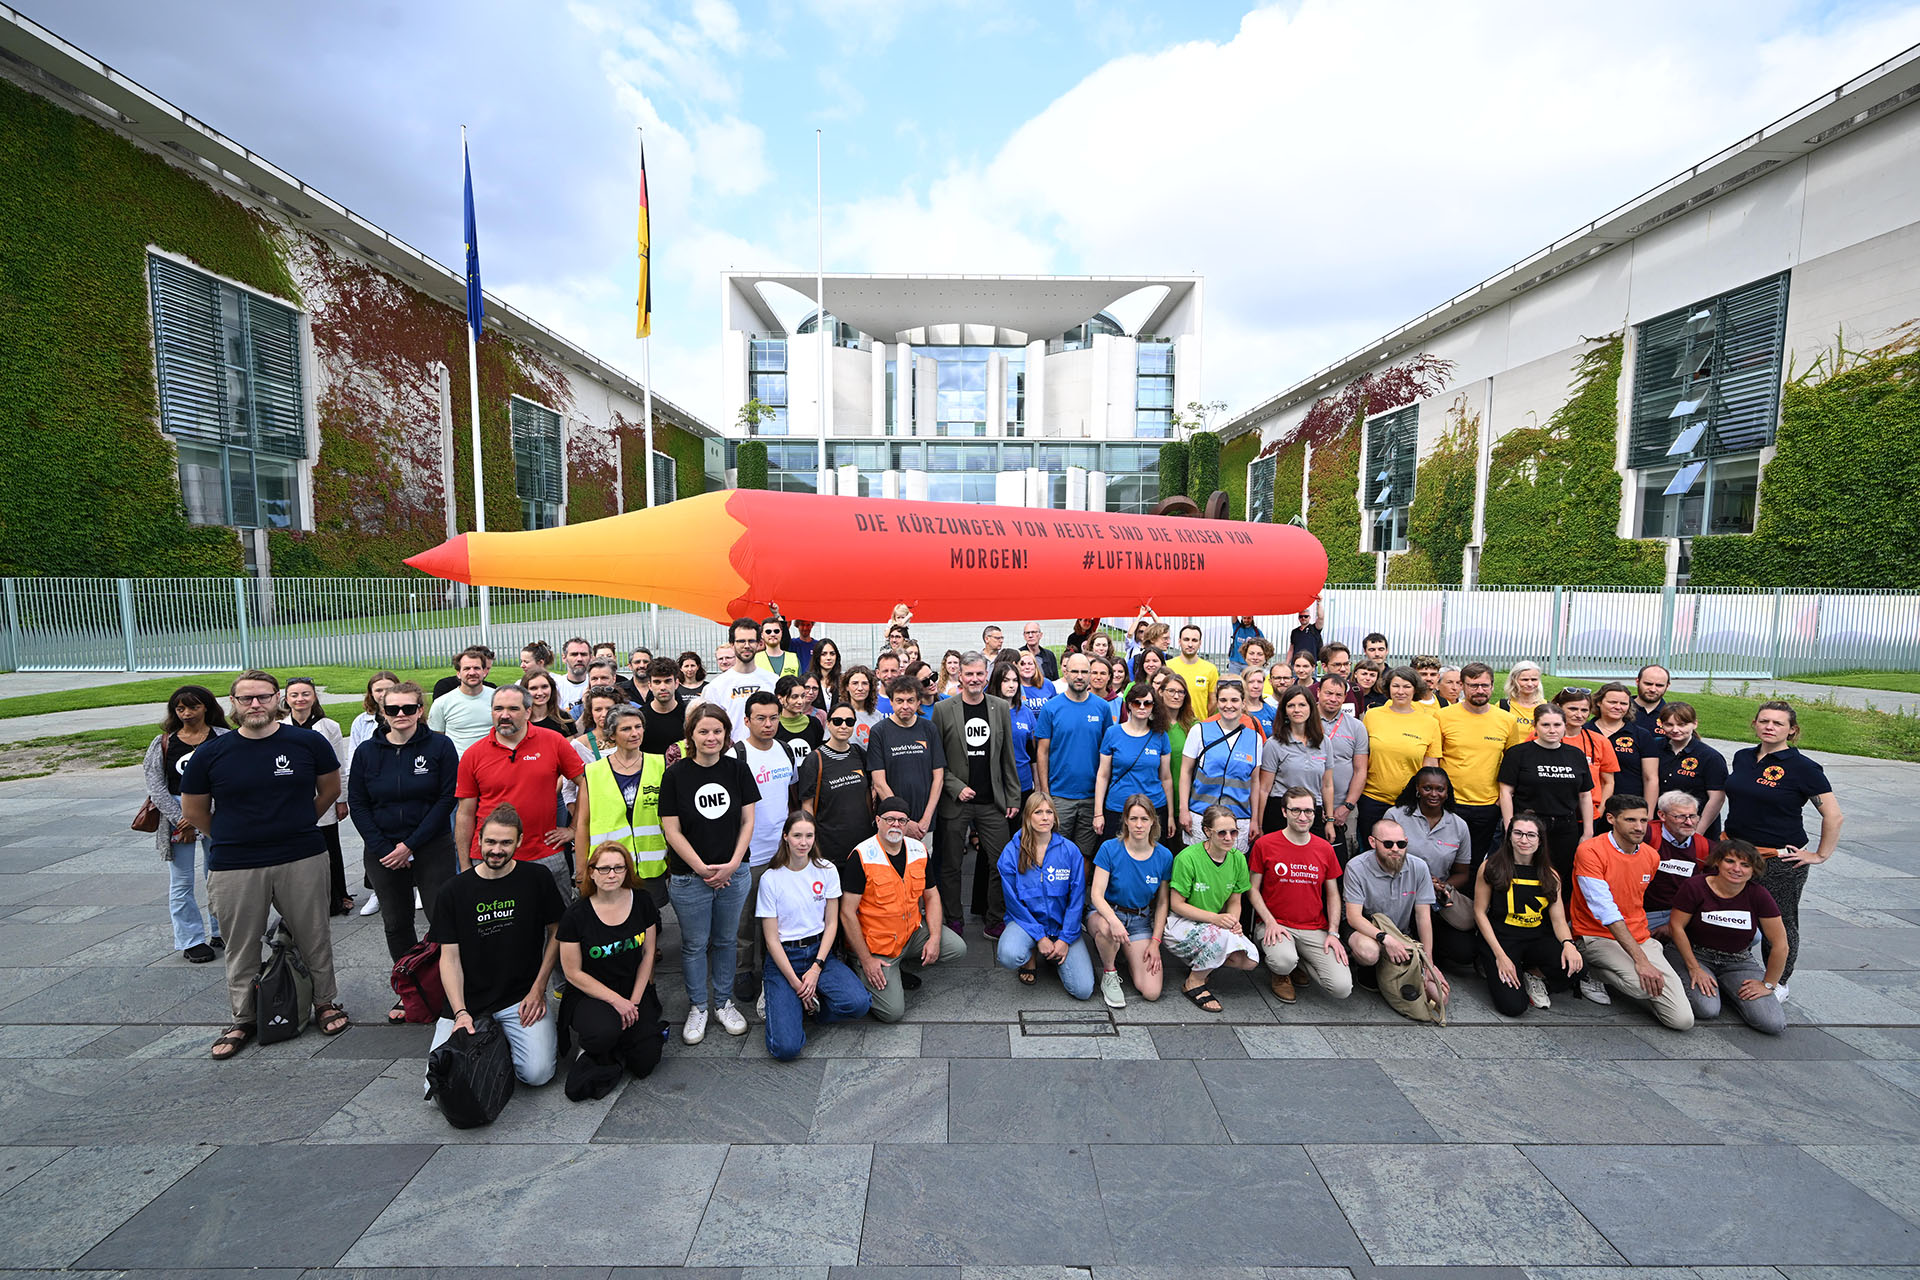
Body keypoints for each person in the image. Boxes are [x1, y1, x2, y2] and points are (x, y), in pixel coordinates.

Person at [182, 671, 348, 1059]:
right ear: (233, 704)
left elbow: (330, 789)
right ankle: (244, 1018)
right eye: (246, 699)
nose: (255, 704)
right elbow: (193, 810)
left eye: (263, 697)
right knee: (240, 944)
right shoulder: (211, 752)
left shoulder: (308, 743)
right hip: (235, 863)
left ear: (279, 700)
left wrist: (299, 823)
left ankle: (324, 1002)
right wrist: (229, 834)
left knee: (314, 935)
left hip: (301, 855)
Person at [426, 804, 563, 1094]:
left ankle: (500, 1038)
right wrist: (460, 1012)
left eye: (505, 842)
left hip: (520, 997)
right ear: (478, 840)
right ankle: (492, 1036)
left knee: (537, 1074)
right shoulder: (453, 891)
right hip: (468, 1001)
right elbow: (448, 959)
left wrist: (539, 989)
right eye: (490, 842)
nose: (496, 850)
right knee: (437, 1085)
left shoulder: (536, 879)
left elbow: (557, 932)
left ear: (520, 842)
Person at [350, 680, 461, 1014]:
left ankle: (449, 985)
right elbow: (358, 802)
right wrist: (384, 847)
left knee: (440, 918)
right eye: (392, 709)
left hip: (430, 845)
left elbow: (446, 799)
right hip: (382, 849)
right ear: (382, 711)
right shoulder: (367, 752)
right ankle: (411, 988)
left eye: (408, 708)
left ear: (420, 710)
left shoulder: (440, 746)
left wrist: (410, 845)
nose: (401, 714)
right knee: (396, 923)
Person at [1724, 700, 1841, 1001]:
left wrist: (1819, 855)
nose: (1769, 727)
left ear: (1792, 730)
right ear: (1755, 724)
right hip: (1736, 851)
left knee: (1779, 921)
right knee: (1730, 912)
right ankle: (1732, 966)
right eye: (1764, 721)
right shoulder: (1743, 757)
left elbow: (1833, 815)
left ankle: (1778, 982)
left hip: (1777, 859)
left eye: (1777, 723)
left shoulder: (1804, 768)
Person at [658, 702, 759, 1043]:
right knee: (695, 944)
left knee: (727, 941)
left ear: (727, 735)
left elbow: (748, 821)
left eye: (717, 731)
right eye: (703, 731)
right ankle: (699, 1006)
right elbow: (671, 830)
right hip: (689, 877)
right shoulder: (675, 775)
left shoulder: (737, 771)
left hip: (734, 873)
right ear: (691, 736)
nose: (711, 737)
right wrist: (701, 868)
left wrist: (732, 863)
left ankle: (723, 1002)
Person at [1569, 794, 1693, 1028]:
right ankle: (1590, 972)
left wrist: (1644, 954)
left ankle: (1641, 978)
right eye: (1630, 820)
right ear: (1611, 819)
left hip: (1639, 936)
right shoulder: (1590, 851)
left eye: (1644, 821)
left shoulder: (1651, 855)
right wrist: (1641, 961)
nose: (1639, 827)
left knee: (1682, 1021)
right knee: (1639, 986)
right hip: (1596, 936)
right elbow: (1606, 911)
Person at [453, 684, 586, 900]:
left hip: (545, 853)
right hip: (491, 856)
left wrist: (573, 828)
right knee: (498, 927)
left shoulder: (553, 741)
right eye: (498, 709)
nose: (504, 715)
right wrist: (466, 864)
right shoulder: (473, 754)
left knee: (558, 924)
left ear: (528, 712)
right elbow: (464, 813)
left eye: (513, 709)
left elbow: (586, 782)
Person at [556, 840, 666, 1099]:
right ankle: (594, 1047)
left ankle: (617, 1045)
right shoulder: (576, 915)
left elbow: (648, 953)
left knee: (645, 1062)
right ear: (591, 872)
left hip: (633, 988)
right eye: (603, 868)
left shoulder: (642, 901)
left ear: (628, 871)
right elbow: (572, 973)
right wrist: (618, 1002)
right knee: (603, 1033)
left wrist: (635, 1001)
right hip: (590, 993)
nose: (612, 874)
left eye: (619, 867)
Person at [757, 814, 871, 1060]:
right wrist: (797, 984)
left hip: (819, 954)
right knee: (786, 1049)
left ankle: (811, 1006)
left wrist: (817, 968)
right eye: (797, 835)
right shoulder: (771, 879)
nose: (803, 842)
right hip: (784, 959)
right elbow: (771, 940)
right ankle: (789, 1001)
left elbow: (831, 924)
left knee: (859, 1003)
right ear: (785, 837)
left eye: (809, 836)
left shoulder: (826, 870)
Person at [842, 797, 967, 1022]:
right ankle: (859, 967)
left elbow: (932, 895)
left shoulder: (918, 850)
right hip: (877, 946)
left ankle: (900, 966)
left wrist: (935, 938)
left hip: (910, 934)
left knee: (957, 947)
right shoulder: (861, 857)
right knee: (892, 1013)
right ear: (878, 820)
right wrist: (867, 959)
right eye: (889, 819)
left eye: (902, 820)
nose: (896, 825)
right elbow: (846, 913)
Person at [933, 652, 1020, 936]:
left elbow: (1008, 755)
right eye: (969, 674)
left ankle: (994, 919)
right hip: (956, 802)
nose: (974, 679)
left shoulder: (999, 707)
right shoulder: (944, 710)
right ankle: (953, 919)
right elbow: (936, 760)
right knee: (951, 866)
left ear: (986, 675)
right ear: (960, 675)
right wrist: (956, 787)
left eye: (979, 674)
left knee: (1002, 863)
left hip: (992, 801)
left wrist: (1013, 796)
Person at [1665, 839, 1790, 1035]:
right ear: (1718, 862)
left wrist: (1768, 984)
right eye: (1730, 861)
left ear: (1753, 870)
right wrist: (1694, 968)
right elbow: (1676, 926)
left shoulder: (1759, 895)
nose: (1737, 869)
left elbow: (1780, 944)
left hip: (1737, 960)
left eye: (1745, 865)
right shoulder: (1695, 886)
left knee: (1772, 1023)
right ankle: (1718, 987)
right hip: (1695, 954)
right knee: (1707, 1009)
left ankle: (1727, 988)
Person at [144, 685, 230, 963]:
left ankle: (222, 930)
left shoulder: (224, 739)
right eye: (180, 709)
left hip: (217, 814)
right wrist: (180, 818)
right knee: (181, 881)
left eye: (192, 707)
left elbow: (231, 777)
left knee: (218, 875)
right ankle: (191, 939)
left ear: (206, 707)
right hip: (176, 819)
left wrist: (201, 814)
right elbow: (155, 784)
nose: (187, 713)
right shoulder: (163, 743)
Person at [1471, 813, 1583, 1016]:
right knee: (1513, 1007)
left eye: (1531, 835)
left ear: (1540, 840)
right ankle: (1492, 965)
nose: (1524, 840)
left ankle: (1533, 974)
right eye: (1518, 833)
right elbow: (1479, 913)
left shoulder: (1550, 875)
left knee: (1577, 968)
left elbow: (1558, 920)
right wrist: (1500, 956)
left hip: (1535, 938)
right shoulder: (1491, 867)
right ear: (1509, 837)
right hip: (1502, 939)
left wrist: (1569, 944)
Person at [1248, 786, 1352, 1004]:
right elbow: (1252, 889)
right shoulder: (1265, 844)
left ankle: (1300, 961)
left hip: (1314, 927)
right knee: (1283, 961)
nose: (1303, 816)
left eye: (1308, 811)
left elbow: (1333, 894)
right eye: (1296, 810)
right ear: (1284, 812)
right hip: (1276, 925)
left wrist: (1333, 933)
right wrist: (1269, 922)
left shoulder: (1324, 848)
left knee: (1342, 988)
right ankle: (1282, 972)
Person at [731, 690, 800, 1006]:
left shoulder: (785, 751)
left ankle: (772, 966)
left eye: (773, 717)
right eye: (760, 718)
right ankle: (744, 970)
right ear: (747, 720)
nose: (768, 723)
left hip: (782, 854)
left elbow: (790, 795)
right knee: (745, 920)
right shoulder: (736, 756)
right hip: (749, 855)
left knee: (779, 916)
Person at [571, 705, 671, 916]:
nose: (634, 733)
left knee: (649, 918)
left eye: (638, 727)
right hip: (609, 866)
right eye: (626, 729)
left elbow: (669, 819)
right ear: (612, 735)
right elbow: (583, 824)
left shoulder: (659, 764)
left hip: (650, 864)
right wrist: (581, 870)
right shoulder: (594, 771)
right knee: (614, 918)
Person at [1342, 818, 1449, 1014]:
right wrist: (1385, 939)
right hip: (1368, 929)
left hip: (1400, 933)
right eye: (1388, 843)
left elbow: (1423, 917)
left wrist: (1429, 964)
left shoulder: (1419, 867)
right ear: (1373, 842)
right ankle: (1369, 969)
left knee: (1440, 996)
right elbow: (1353, 918)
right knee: (1368, 952)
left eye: (1401, 844)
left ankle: (1390, 969)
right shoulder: (1356, 867)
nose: (1395, 849)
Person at [995, 794, 1095, 999]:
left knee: (1083, 990)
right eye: (1038, 812)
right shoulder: (1012, 851)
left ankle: (1053, 953)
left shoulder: (1070, 851)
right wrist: (1039, 936)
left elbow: (1077, 900)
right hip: (1025, 924)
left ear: (1055, 817)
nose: (1045, 817)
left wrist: (1065, 939)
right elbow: (1013, 903)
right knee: (1008, 955)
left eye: (1049, 812)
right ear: (1028, 817)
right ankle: (1030, 953)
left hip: (1061, 926)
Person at [1164, 804, 1260, 1012]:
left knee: (1250, 959)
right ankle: (1195, 981)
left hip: (1215, 925)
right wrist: (1216, 920)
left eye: (1233, 832)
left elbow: (1235, 901)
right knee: (1222, 939)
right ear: (1207, 832)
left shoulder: (1237, 859)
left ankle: (1203, 960)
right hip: (1181, 924)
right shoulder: (1187, 858)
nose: (1229, 838)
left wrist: (1233, 922)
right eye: (1222, 832)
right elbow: (1176, 904)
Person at [1086, 796, 1172, 1007]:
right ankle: (1109, 972)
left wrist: (1155, 941)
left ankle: (1122, 951)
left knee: (1151, 991)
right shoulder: (1110, 848)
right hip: (1107, 914)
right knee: (1107, 929)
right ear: (1125, 820)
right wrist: (1114, 921)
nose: (1139, 824)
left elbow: (1162, 903)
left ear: (1153, 821)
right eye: (1133, 818)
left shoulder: (1164, 856)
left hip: (1140, 921)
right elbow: (1096, 894)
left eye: (1144, 818)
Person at [280, 677, 355, 916]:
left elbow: (338, 766)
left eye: (305, 694)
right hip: (290, 797)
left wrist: (341, 799)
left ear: (314, 697)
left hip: (324, 795)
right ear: (286, 698)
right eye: (294, 695)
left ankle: (337, 896)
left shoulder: (328, 726)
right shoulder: (279, 726)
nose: (300, 699)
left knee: (329, 847)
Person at [1437, 662, 1522, 869]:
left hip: (1488, 805)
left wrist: (1502, 800)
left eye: (1485, 685)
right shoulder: (1442, 716)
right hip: (1451, 803)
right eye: (1473, 685)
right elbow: (1434, 761)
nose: (1480, 691)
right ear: (1462, 687)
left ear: (1493, 686)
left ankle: (1472, 900)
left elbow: (1513, 763)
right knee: (1445, 858)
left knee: (1477, 861)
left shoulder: (1507, 720)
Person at [1498, 704, 1594, 886]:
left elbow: (1585, 795)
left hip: (1565, 827)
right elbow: (1506, 792)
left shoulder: (1576, 755)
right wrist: (1510, 827)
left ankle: (1556, 915)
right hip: (1529, 826)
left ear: (1565, 726)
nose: (1552, 730)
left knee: (1560, 878)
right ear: (1535, 726)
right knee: (1526, 876)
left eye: (1557, 725)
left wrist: (1588, 831)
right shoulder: (1518, 753)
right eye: (1546, 725)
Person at [1034, 653, 1113, 860]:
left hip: (1091, 797)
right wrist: (1045, 792)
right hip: (1059, 796)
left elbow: (1107, 753)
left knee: (1084, 854)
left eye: (1084, 672)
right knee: (1055, 853)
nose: (1079, 676)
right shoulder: (1051, 708)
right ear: (1065, 673)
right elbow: (1042, 752)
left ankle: (1078, 894)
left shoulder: (1102, 708)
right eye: (1075, 671)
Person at [1387, 767, 1475, 937]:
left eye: (1440, 789)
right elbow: (1381, 859)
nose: (1434, 794)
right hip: (1398, 890)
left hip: (1437, 896)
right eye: (1427, 788)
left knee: (1462, 950)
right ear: (1417, 789)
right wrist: (1423, 883)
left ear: (1447, 792)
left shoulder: (1459, 826)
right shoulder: (1395, 816)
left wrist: (1442, 886)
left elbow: (1462, 873)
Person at [1359, 667, 1440, 844]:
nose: (1401, 691)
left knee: (1404, 852)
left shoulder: (1430, 723)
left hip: (1409, 803)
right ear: (1388, 688)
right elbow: (1360, 758)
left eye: (1407, 686)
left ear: (1415, 689)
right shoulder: (1372, 716)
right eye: (1396, 686)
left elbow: (1430, 768)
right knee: (1371, 850)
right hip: (1372, 799)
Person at [1179, 678, 1262, 850]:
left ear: (1243, 703)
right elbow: (1185, 772)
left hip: (1239, 820)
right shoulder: (1199, 731)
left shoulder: (1255, 739)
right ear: (1217, 702)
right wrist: (1184, 810)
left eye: (1234, 700)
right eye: (1223, 700)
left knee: (1232, 871)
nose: (1228, 705)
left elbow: (1255, 782)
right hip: (1201, 815)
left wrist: (1255, 820)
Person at [869, 677, 946, 852]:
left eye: (910, 700)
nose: (905, 706)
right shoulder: (879, 732)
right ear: (891, 702)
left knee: (921, 872)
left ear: (919, 701)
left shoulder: (929, 729)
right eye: (899, 701)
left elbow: (939, 777)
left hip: (924, 824)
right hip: (891, 821)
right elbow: (879, 783)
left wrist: (926, 818)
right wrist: (903, 821)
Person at [796, 701, 876, 866]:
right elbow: (807, 805)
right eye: (838, 721)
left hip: (863, 843)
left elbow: (868, 792)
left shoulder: (859, 753)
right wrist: (812, 840)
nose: (843, 726)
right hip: (830, 845)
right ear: (828, 723)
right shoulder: (814, 759)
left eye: (849, 722)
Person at [1254, 684, 1335, 843]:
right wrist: (1259, 824)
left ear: (1311, 708)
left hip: (1312, 812)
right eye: (1291, 705)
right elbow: (1264, 789)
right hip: (1281, 812)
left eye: (1302, 705)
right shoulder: (1274, 744)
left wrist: (1330, 820)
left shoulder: (1324, 742)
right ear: (1284, 711)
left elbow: (1327, 785)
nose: (1296, 710)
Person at [1094, 682, 1174, 840]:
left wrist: (1171, 815)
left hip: (1154, 807)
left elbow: (1166, 778)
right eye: (1137, 702)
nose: (1142, 707)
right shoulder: (1112, 733)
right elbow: (1103, 775)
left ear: (1153, 706)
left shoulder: (1160, 735)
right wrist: (1098, 813)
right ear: (1129, 705)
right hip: (1118, 807)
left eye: (1148, 703)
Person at [1648, 702, 1728, 837]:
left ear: (1694, 724)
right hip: (1660, 825)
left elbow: (1716, 799)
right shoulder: (1654, 747)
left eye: (1682, 725)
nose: (1675, 729)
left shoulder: (1710, 757)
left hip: (1692, 826)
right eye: (1669, 724)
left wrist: (1698, 833)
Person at [1316, 674, 1369, 865]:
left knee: (1343, 858)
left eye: (1339, 695)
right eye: (1328, 693)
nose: (1333, 699)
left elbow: (1360, 770)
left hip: (1343, 807)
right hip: (1308, 806)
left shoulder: (1356, 727)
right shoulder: (1303, 719)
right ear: (1319, 692)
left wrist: (1347, 806)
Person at [1644, 790, 1711, 935]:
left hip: (1685, 914)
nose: (1688, 822)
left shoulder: (1706, 847)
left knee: (1753, 935)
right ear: (1662, 815)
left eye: (1692, 816)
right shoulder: (1645, 836)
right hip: (1646, 913)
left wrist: (1673, 927)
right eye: (1680, 816)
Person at [1592, 681, 1654, 823]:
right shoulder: (1585, 731)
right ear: (1599, 702)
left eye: (1624, 704)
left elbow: (1650, 778)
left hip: (1629, 808)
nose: (1618, 707)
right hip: (1591, 807)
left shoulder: (1641, 735)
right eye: (1612, 702)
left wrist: (1648, 814)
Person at [1555, 687, 1618, 823]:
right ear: (1558, 708)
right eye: (1573, 709)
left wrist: (1601, 809)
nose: (1579, 715)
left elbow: (1608, 781)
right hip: (1550, 811)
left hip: (1588, 814)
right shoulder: (1540, 737)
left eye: (1584, 710)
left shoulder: (1599, 741)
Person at [705, 619, 778, 736]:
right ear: (732, 644)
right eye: (741, 641)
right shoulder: (716, 686)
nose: (747, 646)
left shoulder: (773, 680)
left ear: (759, 643)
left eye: (751, 641)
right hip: (732, 752)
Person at [991, 660, 1040, 820]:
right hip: (995, 785)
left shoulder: (1026, 713)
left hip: (1022, 783)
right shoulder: (988, 711)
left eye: (1014, 680)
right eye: (1005, 680)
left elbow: (1032, 753)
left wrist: (1037, 786)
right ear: (997, 682)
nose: (1011, 685)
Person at [428, 646, 496, 756]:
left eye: (477, 668)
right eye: (466, 668)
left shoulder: (498, 698)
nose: (472, 672)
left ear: (484, 671)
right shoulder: (442, 703)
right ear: (458, 673)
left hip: (491, 763)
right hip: (457, 764)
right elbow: (436, 738)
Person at [1164, 623, 1220, 717]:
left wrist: (1202, 718)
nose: (1190, 644)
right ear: (1179, 641)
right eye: (1186, 640)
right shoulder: (1167, 666)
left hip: (1199, 725)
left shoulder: (1210, 669)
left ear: (1200, 643)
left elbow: (1213, 701)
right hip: (1171, 726)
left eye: (1194, 640)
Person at [638, 658, 688, 754]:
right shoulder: (639, 717)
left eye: (668, 681)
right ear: (650, 685)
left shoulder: (689, 715)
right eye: (657, 682)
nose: (663, 687)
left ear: (676, 683)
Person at [348, 671, 399, 756]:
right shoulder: (361, 721)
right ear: (371, 693)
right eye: (379, 690)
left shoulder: (409, 717)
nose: (384, 694)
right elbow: (353, 753)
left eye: (389, 689)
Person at [1157, 672, 1198, 772]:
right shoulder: (1151, 723)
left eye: (1181, 692)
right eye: (1171, 691)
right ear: (1161, 692)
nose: (1176, 696)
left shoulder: (1194, 726)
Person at [524, 669, 578, 740]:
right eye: (533, 688)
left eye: (544, 687)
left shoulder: (564, 719)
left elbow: (569, 749)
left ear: (551, 689)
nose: (540, 693)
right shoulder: (519, 721)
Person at [1500, 660, 1548, 737]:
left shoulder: (1547, 707)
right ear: (1513, 681)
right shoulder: (1503, 706)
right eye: (1525, 680)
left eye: (1534, 679)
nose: (1530, 684)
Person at [841, 666, 884, 747]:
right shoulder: (837, 714)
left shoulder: (878, 716)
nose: (860, 688)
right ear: (847, 686)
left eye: (864, 683)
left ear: (870, 687)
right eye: (855, 683)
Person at [549, 638, 594, 710]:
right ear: (564, 658)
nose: (579, 659)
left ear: (591, 658)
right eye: (574, 654)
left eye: (583, 654)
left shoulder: (596, 684)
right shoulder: (555, 686)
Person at [1632, 664, 1671, 731]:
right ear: (1637, 682)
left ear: (1667, 686)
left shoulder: (1672, 715)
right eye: (1648, 684)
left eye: (1659, 685)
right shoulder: (1620, 710)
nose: (1653, 689)